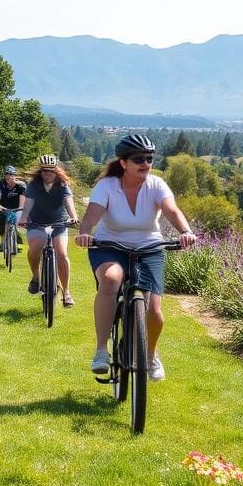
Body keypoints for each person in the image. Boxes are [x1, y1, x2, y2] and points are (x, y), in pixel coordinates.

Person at [75, 134, 196, 380]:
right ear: (123, 163)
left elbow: (171, 209)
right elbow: (91, 214)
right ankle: (101, 351)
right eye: (139, 159)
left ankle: (150, 356)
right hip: (109, 245)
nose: (145, 163)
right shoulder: (107, 186)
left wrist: (186, 232)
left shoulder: (157, 185)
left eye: (149, 158)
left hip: (149, 246)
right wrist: (85, 233)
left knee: (153, 307)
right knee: (111, 279)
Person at [20, 154, 79, 306]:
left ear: (56, 170)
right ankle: (35, 277)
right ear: (41, 171)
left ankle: (66, 292)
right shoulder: (34, 184)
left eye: (51, 171)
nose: (48, 173)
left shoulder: (63, 184)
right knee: (37, 244)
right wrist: (24, 217)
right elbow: (28, 204)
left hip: (59, 222)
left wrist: (73, 217)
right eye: (45, 170)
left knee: (62, 253)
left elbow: (68, 201)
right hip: (37, 222)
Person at [0, 165, 26, 252]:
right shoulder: (1, 186)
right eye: (8, 174)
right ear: (5, 175)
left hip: (17, 209)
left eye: (12, 174)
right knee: (0, 222)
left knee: (19, 223)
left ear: (15, 176)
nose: (10, 176)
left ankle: (17, 241)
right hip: (3, 208)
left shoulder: (20, 186)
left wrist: (21, 208)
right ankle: (3, 241)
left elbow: (23, 198)